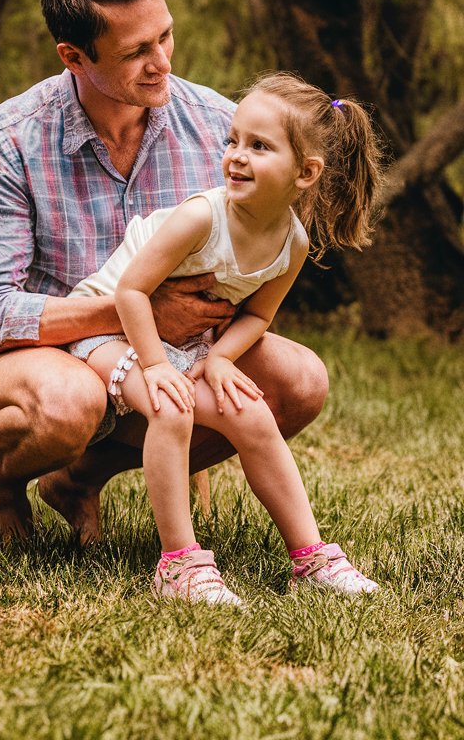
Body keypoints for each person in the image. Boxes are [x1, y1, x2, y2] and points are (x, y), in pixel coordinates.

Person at [0, 0, 329, 545]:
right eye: (136, 52)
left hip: (178, 352)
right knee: (68, 402)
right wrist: (133, 312)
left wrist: (212, 334)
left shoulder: (220, 126)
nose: (162, 62)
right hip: (50, 355)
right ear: (74, 57)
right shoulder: (10, 137)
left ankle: (79, 479)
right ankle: (2, 482)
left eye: (166, 37)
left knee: (300, 382)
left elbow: (259, 249)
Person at [68, 73, 381, 603]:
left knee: (252, 414)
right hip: (109, 333)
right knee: (172, 409)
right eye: (233, 140)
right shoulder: (200, 217)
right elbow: (129, 293)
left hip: (182, 343)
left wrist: (220, 359)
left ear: (306, 172)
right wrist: (156, 367)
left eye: (259, 146)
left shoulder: (292, 242)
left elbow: (257, 316)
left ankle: (311, 557)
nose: (236, 156)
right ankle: (178, 566)